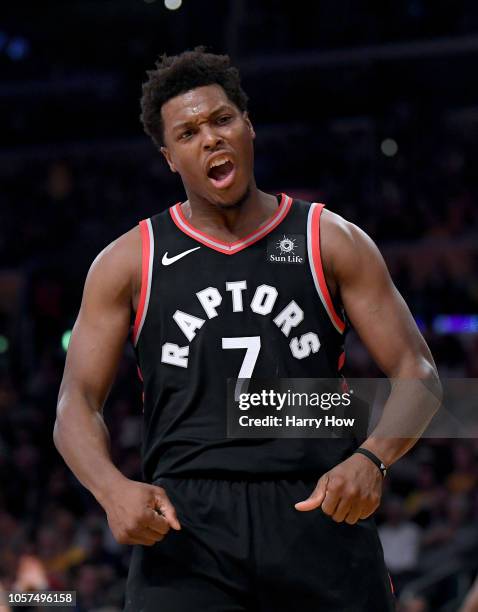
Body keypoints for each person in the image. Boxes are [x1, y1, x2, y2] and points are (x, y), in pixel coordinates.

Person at [53, 47, 440, 611]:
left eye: (221, 120)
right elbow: (75, 401)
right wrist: (111, 489)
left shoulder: (328, 239)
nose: (210, 138)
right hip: (187, 525)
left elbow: (420, 372)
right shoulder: (129, 260)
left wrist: (373, 458)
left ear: (248, 127)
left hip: (317, 505)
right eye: (188, 133)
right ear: (169, 158)